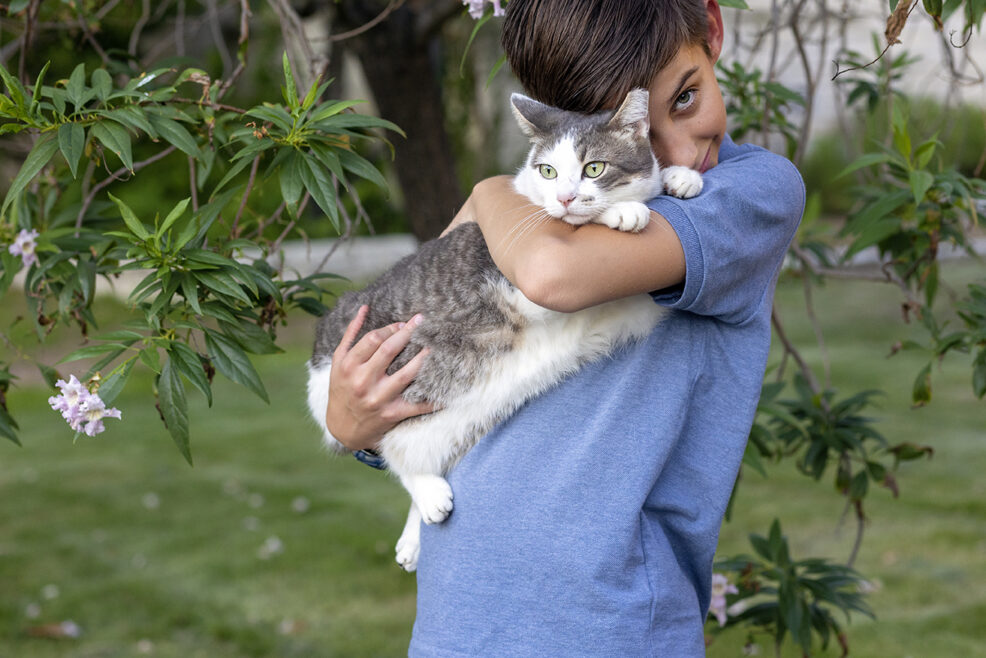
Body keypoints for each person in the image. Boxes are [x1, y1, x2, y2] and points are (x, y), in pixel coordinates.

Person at [323, 0, 805, 654]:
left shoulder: (749, 197)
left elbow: (553, 275)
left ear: (712, 30)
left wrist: (490, 194)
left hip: (611, 627)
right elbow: (420, 341)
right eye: (626, 126)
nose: (666, 154)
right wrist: (355, 425)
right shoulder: (556, 202)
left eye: (685, 99)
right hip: (457, 620)